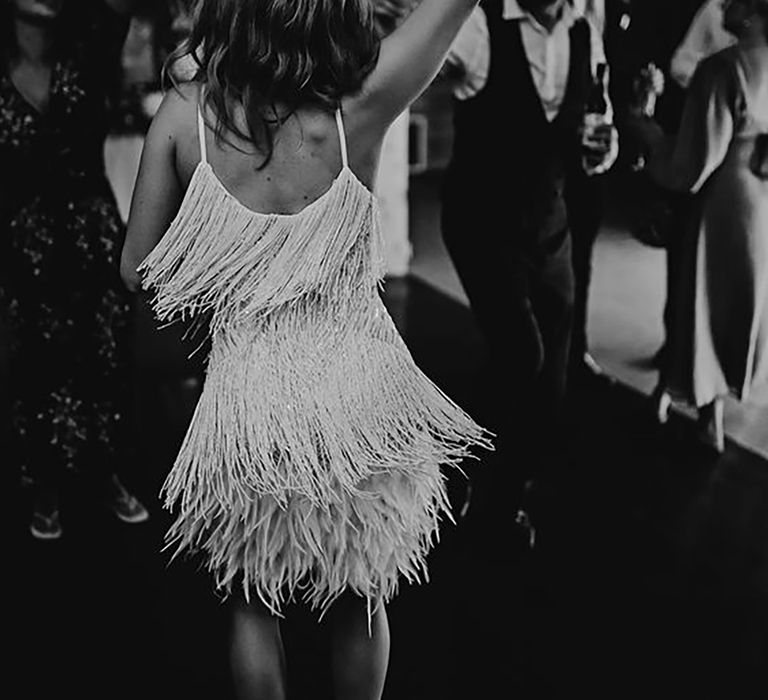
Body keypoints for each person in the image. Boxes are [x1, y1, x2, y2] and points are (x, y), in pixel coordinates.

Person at [119, 1, 490, 699]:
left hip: (251, 402)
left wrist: (225, 264)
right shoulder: (360, 106)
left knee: (252, 601)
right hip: (361, 398)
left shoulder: (183, 117)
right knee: (364, 594)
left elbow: (135, 266)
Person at [439, 0, 618, 542]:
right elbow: (406, 75)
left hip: (550, 228)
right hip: (481, 225)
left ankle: (509, 499)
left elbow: (594, 129)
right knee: (521, 354)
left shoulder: (586, 28)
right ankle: (451, 464)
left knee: (553, 386)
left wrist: (601, 149)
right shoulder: (476, 25)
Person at [0, 0, 149, 540]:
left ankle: (107, 474)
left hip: (93, 235)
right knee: (35, 364)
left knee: (104, 359)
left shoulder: (92, 49)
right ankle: (45, 484)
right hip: (24, 245)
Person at [632, 0, 768, 453]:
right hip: (760, 203)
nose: (722, 4)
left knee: (700, 300)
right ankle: (691, 398)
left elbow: (688, 167)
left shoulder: (723, 68)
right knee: (738, 303)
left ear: (753, 9)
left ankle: (702, 412)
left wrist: (644, 126)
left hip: (718, 203)